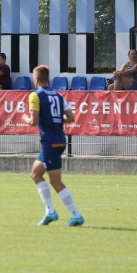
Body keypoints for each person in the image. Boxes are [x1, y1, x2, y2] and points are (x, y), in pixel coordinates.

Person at [21, 65, 84, 227]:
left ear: (36, 79)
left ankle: (76, 215)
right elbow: (71, 117)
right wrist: (54, 119)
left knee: (56, 182)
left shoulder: (35, 96)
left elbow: (34, 121)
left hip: (51, 142)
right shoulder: (58, 96)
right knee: (35, 174)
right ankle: (50, 212)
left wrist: (25, 119)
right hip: (58, 140)